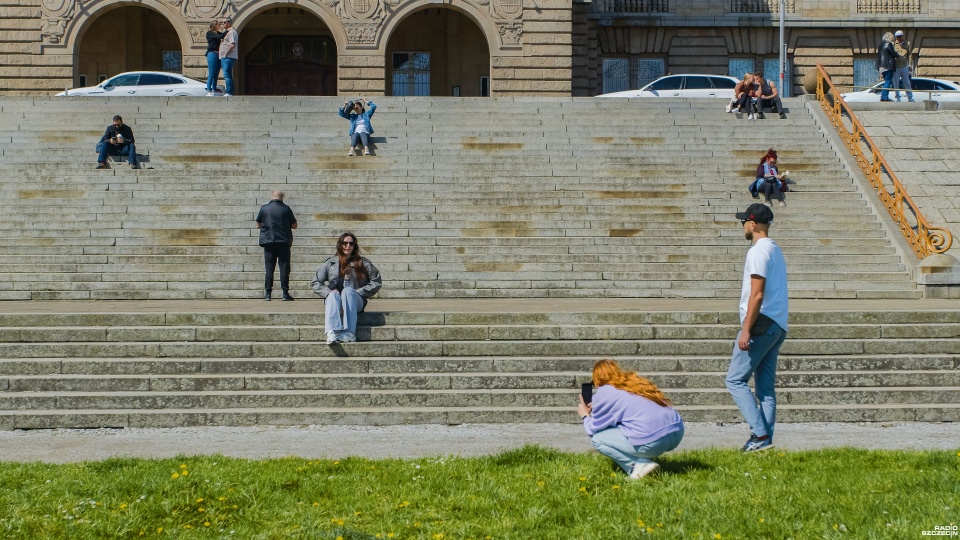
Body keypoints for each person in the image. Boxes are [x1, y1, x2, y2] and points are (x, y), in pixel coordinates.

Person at [727, 203, 789, 453]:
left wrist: (746, 329)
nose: (742, 226)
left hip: (761, 323)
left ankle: (760, 435)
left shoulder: (757, 252)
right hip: (777, 324)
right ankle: (765, 441)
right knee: (765, 389)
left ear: (752, 224)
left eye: (744, 221)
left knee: (734, 380)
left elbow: (756, 294)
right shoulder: (775, 249)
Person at [576, 359, 684, 479]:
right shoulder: (633, 382)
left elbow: (592, 429)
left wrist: (585, 415)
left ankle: (637, 466)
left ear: (597, 380)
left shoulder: (603, 391)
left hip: (653, 442)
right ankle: (643, 461)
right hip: (676, 432)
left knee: (597, 439)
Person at [311, 232, 382, 344]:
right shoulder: (330, 263)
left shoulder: (362, 263)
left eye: (351, 243)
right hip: (335, 301)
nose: (347, 246)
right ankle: (332, 332)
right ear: (340, 245)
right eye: (344, 243)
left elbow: (376, 282)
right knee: (333, 294)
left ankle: (349, 333)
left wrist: (358, 292)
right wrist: (328, 292)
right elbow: (315, 281)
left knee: (348, 291)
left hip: (354, 300)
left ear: (354, 246)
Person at [255, 190, 297, 301]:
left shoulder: (264, 208)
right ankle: (285, 293)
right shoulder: (286, 209)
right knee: (284, 268)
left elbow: (257, 225)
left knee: (269, 269)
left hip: (268, 242)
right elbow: (294, 225)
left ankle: (268, 294)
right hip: (283, 242)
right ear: (282, 197)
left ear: (271, 196)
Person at [876, 31, 899, 102]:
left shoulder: (880, 45)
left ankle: (883, 96)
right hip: (887, 65)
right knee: (888, 81)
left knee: (886, 81)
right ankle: (885, 97)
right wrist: (897, 54)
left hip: (881, 66)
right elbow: (894, 54)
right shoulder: (888, 44)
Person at [892, 30, 915, 102]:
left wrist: (910, 64)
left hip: (904, 65)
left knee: (907, 82)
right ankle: (897, 97)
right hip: (896, 66)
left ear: (902, 36)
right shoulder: (893, 44)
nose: (898, 38)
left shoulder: (907, 44)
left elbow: (910, 54)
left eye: (900, 37)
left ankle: (910, 97)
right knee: (896, 83)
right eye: (897, 37)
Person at [218, 17, 238, 97]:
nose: (223, 24)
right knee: (227, 74)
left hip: (228, 57)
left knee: (227, 74)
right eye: (222, 22)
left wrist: (225, 54)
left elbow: (233, 44)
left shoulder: (232, 32)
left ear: (229, 23)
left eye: (224, 22)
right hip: (226, 57)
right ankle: (229, 91)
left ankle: (229, 91)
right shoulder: (227, 32)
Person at [205, 20, 225, 96]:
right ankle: (209, 90)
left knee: (216, 74)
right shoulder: (210, 33)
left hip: (218, 54)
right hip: (212, 53)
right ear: (214, 25)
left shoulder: (219, 33)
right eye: (218, 24)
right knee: (212, 73)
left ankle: (214, 89)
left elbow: (222, 35)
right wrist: (227, 31)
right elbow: (218, 37)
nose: (220, 25)